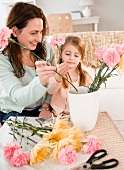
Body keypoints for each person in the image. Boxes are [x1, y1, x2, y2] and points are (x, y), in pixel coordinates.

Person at [0, 2, 56, 124]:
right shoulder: (2, 59)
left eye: (41, 32)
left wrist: (46, 106)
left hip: (41, 108)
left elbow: (54, 83)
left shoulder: (46, 48)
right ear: (14, 31)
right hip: (13, 111)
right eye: (33, 33)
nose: (39, 39)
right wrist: (41, 80)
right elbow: (19, 98)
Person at [47, 36, 92, 116]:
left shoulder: (85, 76)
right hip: (58, 116)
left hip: (79, 116)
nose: (71, 58)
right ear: (61, 55)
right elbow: (50, 90)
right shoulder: (55, 72)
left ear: (81, 58)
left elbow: (90, 97)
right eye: (67, 54)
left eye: (76, 56)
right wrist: (58, 76)